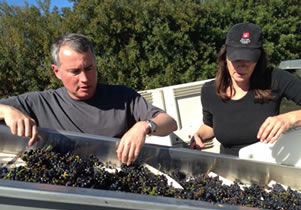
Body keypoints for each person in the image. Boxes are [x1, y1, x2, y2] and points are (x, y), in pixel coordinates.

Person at [0, 33, 177, 165]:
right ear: (57, 72)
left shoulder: (122, 97)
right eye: (75, 71)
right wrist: (7, 111)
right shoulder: (39, 103)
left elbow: (169, 122)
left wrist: (144, 126)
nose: (85, 78)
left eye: (89, 68)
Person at [192, 22, 301, 156]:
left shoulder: (275, 78)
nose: (242, 65)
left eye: (249, 59)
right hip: (228, 169)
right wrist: (199, 135)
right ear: (225, 56)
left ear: (259, 58)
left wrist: (290, 119)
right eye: (236, 58)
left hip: (267, 167)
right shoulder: (209, 91)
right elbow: (210, 126)